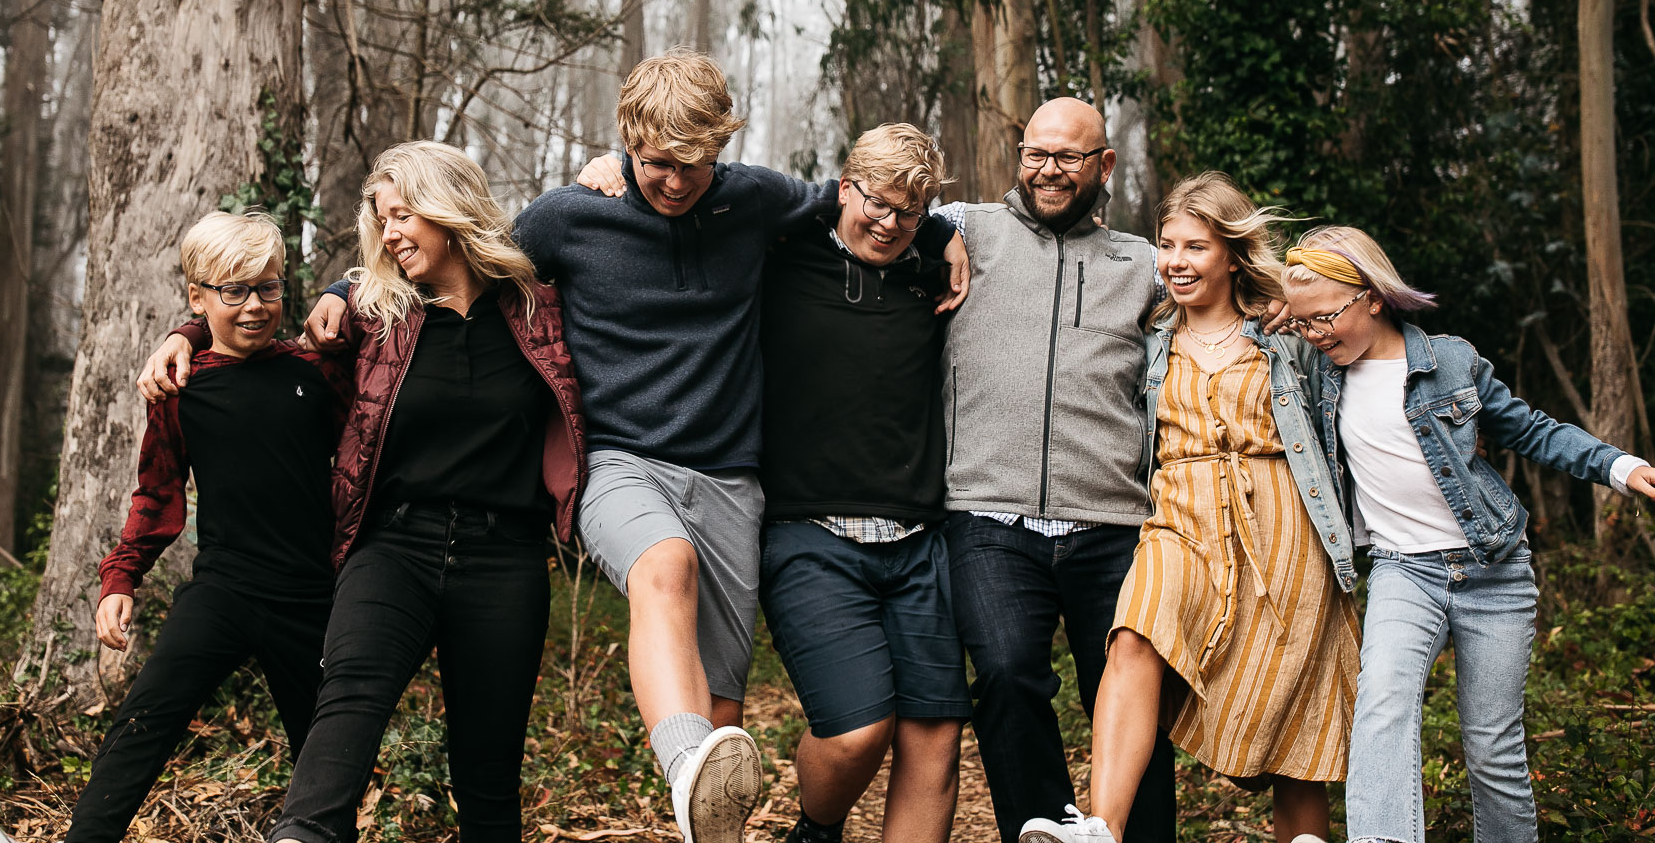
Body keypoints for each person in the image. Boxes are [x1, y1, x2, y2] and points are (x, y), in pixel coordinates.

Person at [138, 142, 586, 843]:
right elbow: (261, 341)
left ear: (450, 209)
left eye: (403, 215)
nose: (390, 233)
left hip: (506, 558)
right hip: (393, 546)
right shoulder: (376, 316)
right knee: (344, 712)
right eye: (382, 219)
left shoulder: (539, 307)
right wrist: (187, 330)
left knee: (488, 776)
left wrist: (612, 172)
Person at [577, 122, 969, 843]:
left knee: (936, 736)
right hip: (809, 529)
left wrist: (945, 230)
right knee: (860, 730)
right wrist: (615, 171)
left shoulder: (930, 266)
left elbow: (989, 229)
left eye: (907, 212)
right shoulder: (781, 254)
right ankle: (815, 830)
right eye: (875, 202)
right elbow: (691, 207)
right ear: (844, 187)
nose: (887, 223)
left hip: (920, 535)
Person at [0, 211, 353, 843]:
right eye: (234, 292)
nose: (254, 305)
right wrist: (120, 578)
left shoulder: (316, 371)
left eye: (269, 287)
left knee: (326, 758)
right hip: (223, 590)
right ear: (197, 297)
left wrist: (339, 292)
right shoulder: (179, 387)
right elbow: (158, 491)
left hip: (312, 599)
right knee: (145, 719)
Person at [1281, 226, 1655, 843]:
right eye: (1305, 324)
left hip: (1494, 570)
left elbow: (1531, 429)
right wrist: (1281, 308)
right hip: (1405, 572)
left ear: (1373, 297)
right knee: (1381, 709)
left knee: (1491, 746)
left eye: (1326, 319)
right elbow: (1241, 302)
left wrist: (1620, 466)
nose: (1317, 335)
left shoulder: (1449, 360)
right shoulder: (1319, 371)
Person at [1020, 173, 1358, 843]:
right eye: (1167, 244)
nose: (1175, 260)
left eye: (1195, 247)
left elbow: (1366, 358)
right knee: (1135, 634)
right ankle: (1101, 828)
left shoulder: (1285, 337)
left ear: (1231, 254)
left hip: (1285, 528)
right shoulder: (1146, 333)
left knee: (1298, 734)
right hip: (1178, 517)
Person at [933, 97, 1175, 843]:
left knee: (1129, 700)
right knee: (1006, 676)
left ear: (1103, 165)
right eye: (1036, 153)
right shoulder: (963, 229)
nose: (1048, 170)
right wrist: (613, 171)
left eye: (1068, 157)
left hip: (1112, 522)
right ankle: (1041, 832)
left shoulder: (1144, 265)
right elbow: (849, 208)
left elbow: (1228, 305)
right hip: (988, 514)